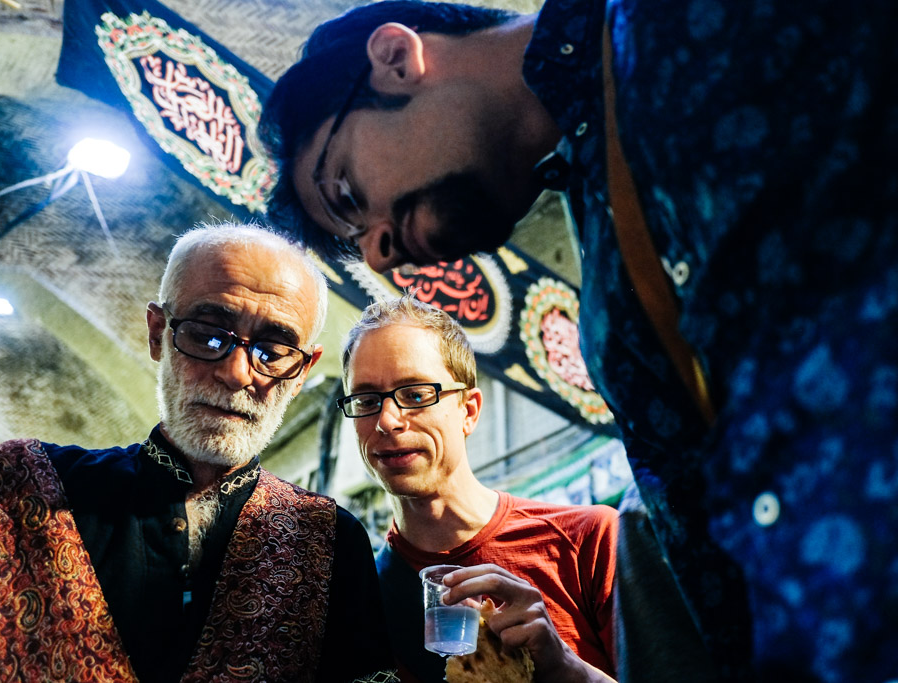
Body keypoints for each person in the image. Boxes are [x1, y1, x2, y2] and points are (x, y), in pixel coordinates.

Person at [259, 1, 898, 680]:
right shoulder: (594, 187)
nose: (382, 257)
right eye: (359, 244)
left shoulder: (665, 27)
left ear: (395, 59)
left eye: (350, 195)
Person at [0, 224, 398, 683]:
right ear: (157, 333)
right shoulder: (3, 497)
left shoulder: (328, 542)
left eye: (273, 350)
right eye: (208, 334)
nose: (238, 373)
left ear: (303, 371)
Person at [339, 294, 617, 683]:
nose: (387, 420)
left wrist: (565, 668)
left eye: (416, 394)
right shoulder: (356, 601)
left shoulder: (589, 541)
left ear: (468, 411)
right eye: (367, 400)